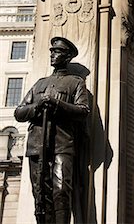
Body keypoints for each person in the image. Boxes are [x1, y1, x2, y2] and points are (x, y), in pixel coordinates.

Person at [15, 37, 90, 224]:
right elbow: (19, 112)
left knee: (61, 190)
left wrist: (58, 104)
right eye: (51, 52)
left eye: (57, 52)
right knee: (40, 194)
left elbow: (83, 111)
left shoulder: (75, 82)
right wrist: (37, 106)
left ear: (67, 57)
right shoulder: (40, 84)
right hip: (36, 145)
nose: (52, 55)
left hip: (62, 143)